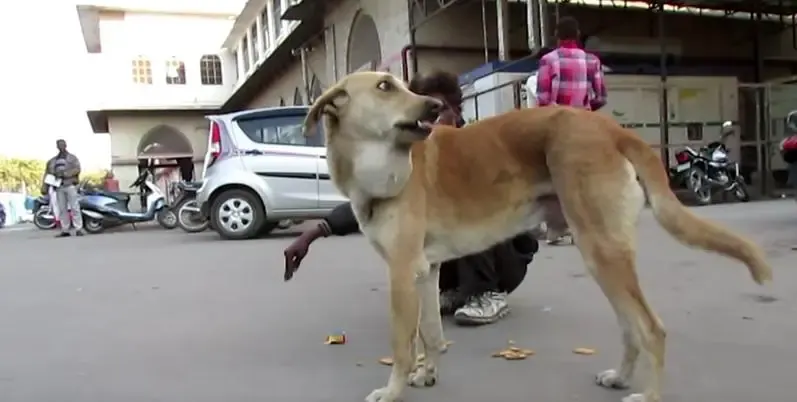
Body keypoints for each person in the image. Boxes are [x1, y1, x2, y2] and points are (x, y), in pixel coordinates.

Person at [284, 71, 539, 326]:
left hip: (506, 259)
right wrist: (312, 234)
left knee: (460, 212)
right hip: (454, 255)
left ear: (456, 113)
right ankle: (456, 290)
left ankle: (486, 293)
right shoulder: (411, 153)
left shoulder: (476, 147)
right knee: (408, 224)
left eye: (438, 111)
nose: (429, 119)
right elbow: (373, 202)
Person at [536, 16, 607, 245]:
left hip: (556, 128)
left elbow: (544, 99)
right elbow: (601, 97)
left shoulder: (549, 60)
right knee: (582, 178)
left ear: (557, 37)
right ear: (577, 36)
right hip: (582, 128)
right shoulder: (592, 61)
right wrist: (585, 110)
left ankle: (557, 229)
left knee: (553, 180)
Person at [43, 139, 84, 237]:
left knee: (75, 207)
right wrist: (44, 186)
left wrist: (64, 174)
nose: (61, 146)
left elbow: (77, 169)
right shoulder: (52, 161)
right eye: (59, 145)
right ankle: (65, 229)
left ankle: (78, 228)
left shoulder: (72, 158)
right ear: (57, 146)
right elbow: (47, 174)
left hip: (70, 185)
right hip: (58, 187)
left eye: (62, 144)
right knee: (62, 209)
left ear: (66, 145)